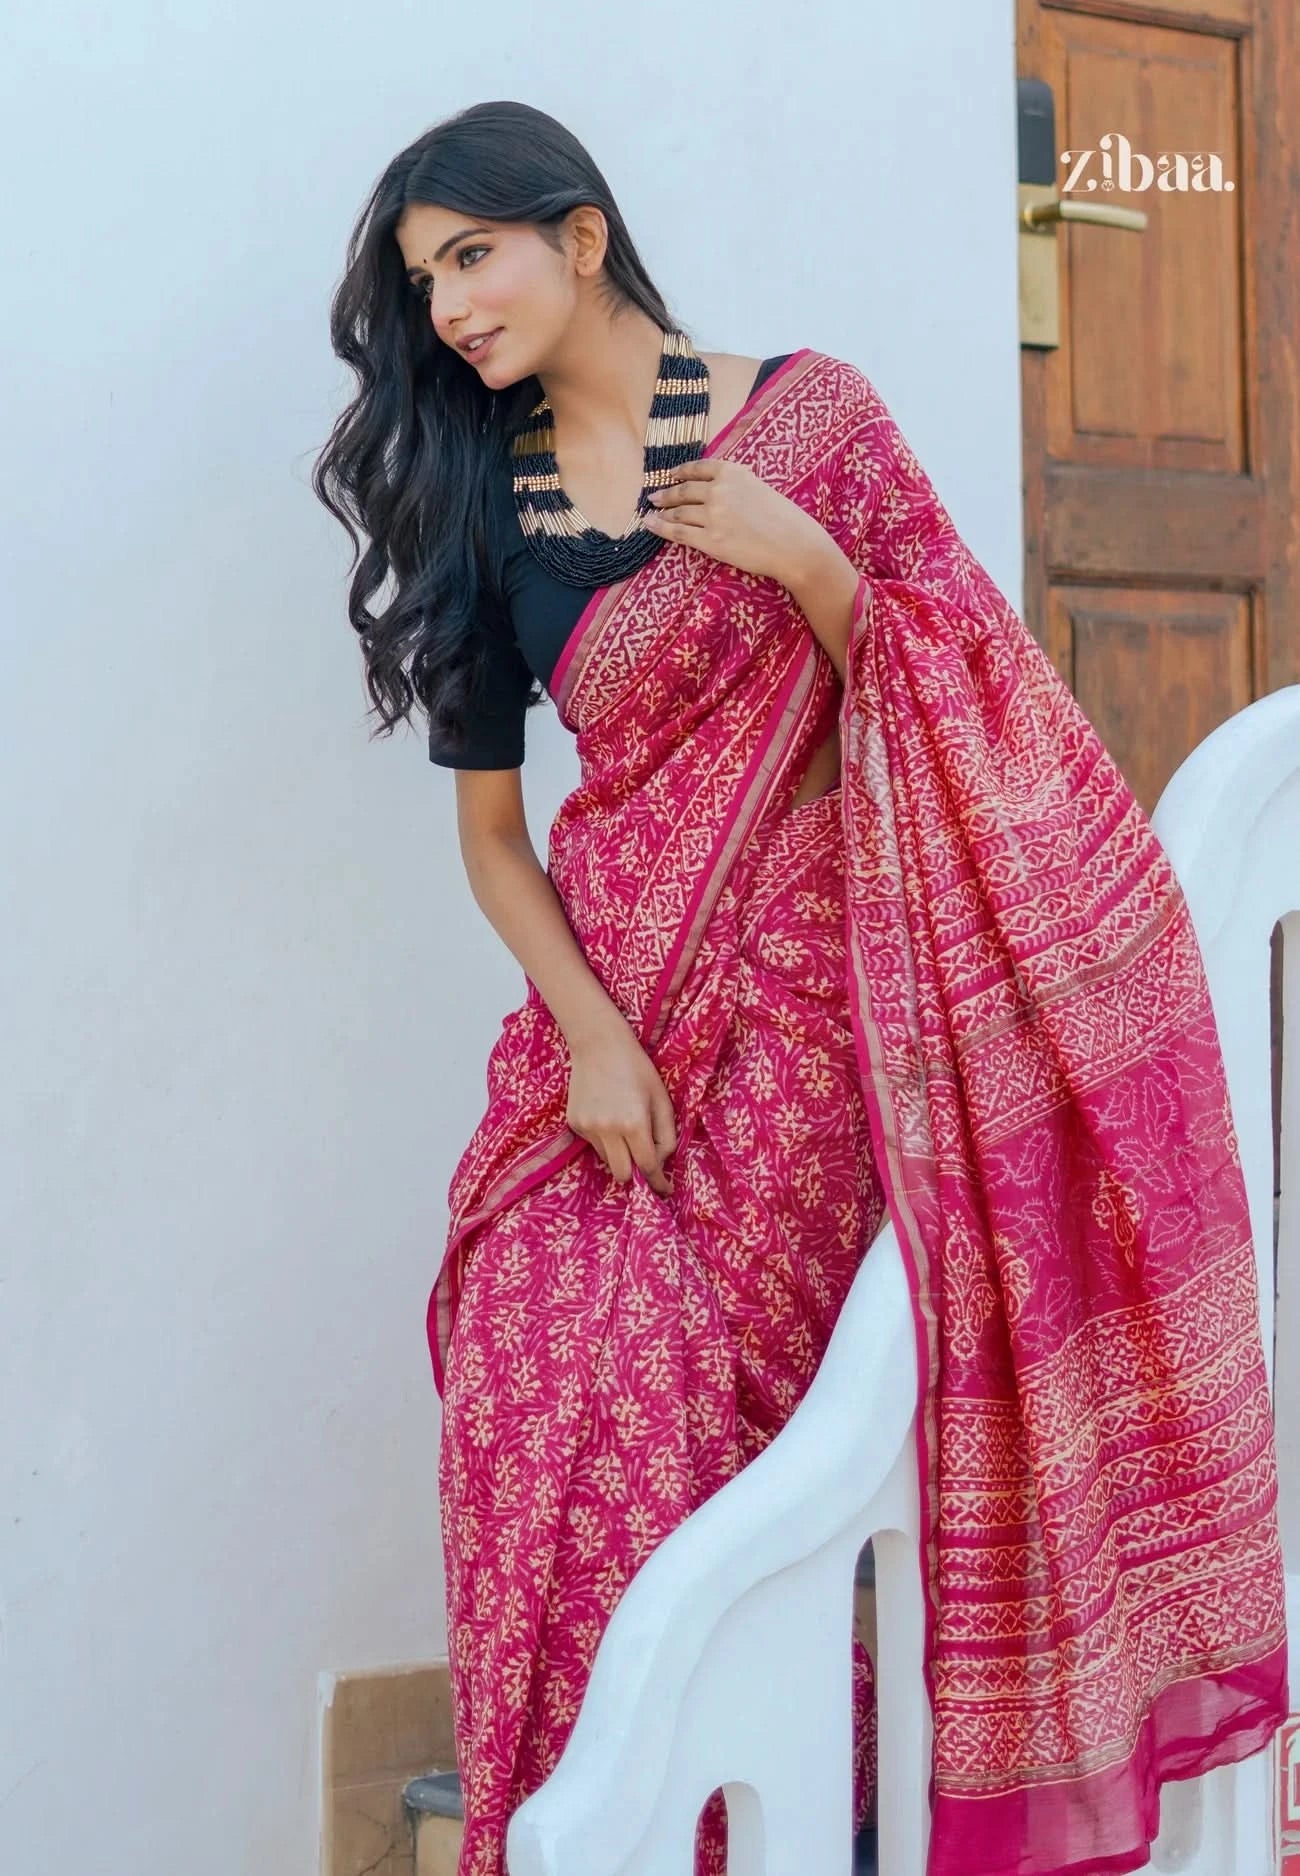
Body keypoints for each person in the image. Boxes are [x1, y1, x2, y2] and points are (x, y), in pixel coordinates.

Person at [313, 98, 1289, 1876]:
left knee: (715, 1410)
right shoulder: (479, 513)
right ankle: (616, 1821)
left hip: (820, 1028)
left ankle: (766, 1802)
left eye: (474, 255)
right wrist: (595, 1039)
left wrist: (809, 561)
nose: (450, 307)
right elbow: (494, 841)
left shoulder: (814, 422)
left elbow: (969, 700)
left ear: (581, 236)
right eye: (425, 282)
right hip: (612, 1035)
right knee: (541, 1336)